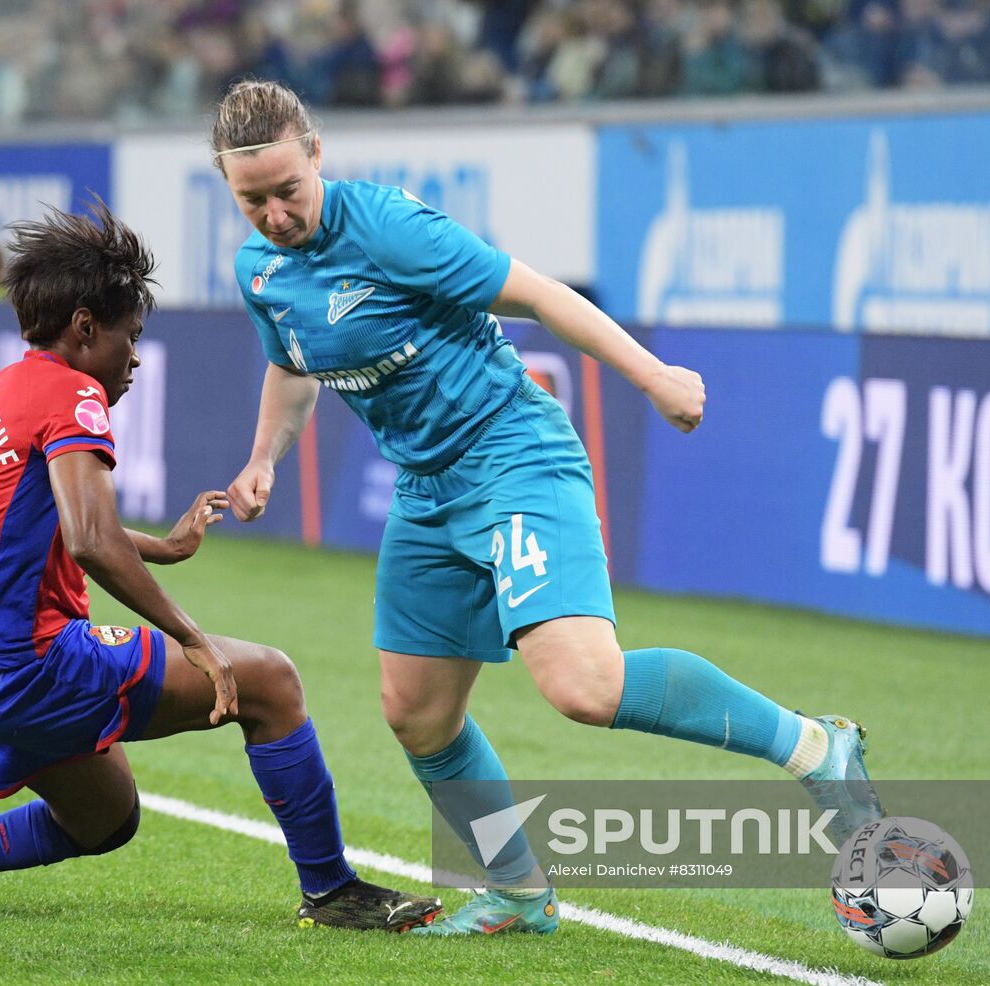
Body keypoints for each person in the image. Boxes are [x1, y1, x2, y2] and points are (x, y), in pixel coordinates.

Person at [213, 79, 883, 936]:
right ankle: (520, 893)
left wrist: (655, 377)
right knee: (416, 713)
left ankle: (814, 746)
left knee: (584, 686)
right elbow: (292, 365)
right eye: (251, 200)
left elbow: (538, 294)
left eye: (286, 190)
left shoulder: (389, 228)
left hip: (512, 456)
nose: (272, 213)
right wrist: (264, 456)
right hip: (426, 493)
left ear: (317, 155)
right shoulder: (259, 270)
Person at [0, 200, 442, 933]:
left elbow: (40, 524)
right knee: (269, 680)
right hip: (21, 664)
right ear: (85, 328)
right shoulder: (74, 393)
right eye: (130, 336)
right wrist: (196, 640)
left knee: (105, 818)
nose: (137, 357)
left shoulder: (8, 387)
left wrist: (165, 546)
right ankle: (332, 890)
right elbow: (89, 539)